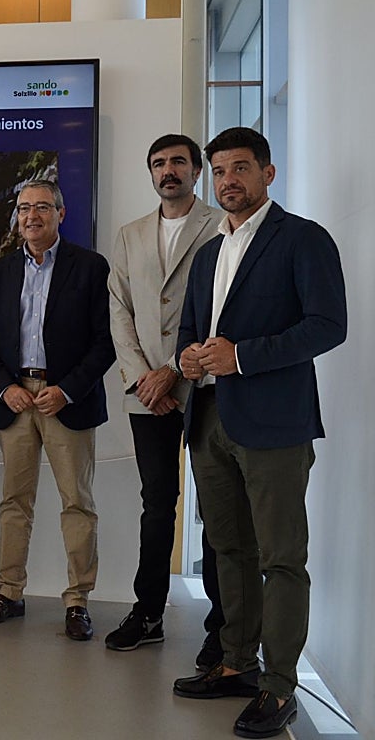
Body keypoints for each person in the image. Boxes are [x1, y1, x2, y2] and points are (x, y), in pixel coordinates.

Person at [172, 128, 346, 739]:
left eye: (240, 169)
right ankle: (235, 663)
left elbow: (328, 326)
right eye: (219, 171)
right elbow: (192, 331)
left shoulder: (302, 239)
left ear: (268, 173)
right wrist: (188, 360)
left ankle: (279, 688)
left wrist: (240, 356)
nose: (228, 182)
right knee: (227, 551)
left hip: (273, 421)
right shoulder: (206, 254)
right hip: (210, 419)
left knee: (280, 558)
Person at [0, 178, 115, 640]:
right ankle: (9, 592)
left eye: (42, 207)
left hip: (64, 399)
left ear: (61, 213)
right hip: (16, 398)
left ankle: (77, 601)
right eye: (23, 208)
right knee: (14, 502)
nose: (31, 216)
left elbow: (105, 341)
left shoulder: (91, 268)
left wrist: (68, 390)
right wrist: (4, 387)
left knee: (78, 503)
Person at [106, 134, 225, 666]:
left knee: (220, 508)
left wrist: (173, 371)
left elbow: (222, 309)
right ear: (150, 173)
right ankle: (147, 612)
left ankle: (224, 623)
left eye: (179, 161)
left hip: (206, 389)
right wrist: (140, 379)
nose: (168, 170)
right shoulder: (130, 234)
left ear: (197, 171)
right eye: (158, 163)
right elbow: (120, 311)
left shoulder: (220, 226)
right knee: (157, 505)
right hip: (147, 397)